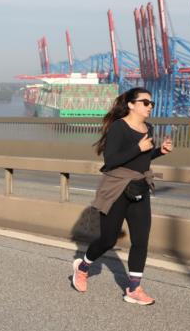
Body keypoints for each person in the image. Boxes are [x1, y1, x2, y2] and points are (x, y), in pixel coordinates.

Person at [71, 87, 172, 305]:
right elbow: (111, 160)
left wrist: (158, 152)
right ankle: (83, 267)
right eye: (145, 102)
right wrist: (138, 146)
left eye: (151, 103)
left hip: (139, 187)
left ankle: (134, 289)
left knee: (141, 240)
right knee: (108, 239)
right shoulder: (119, 127)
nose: (150, 107)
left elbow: (142, 159)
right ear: (131, 105)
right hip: (116, 188)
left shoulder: (149, 128)